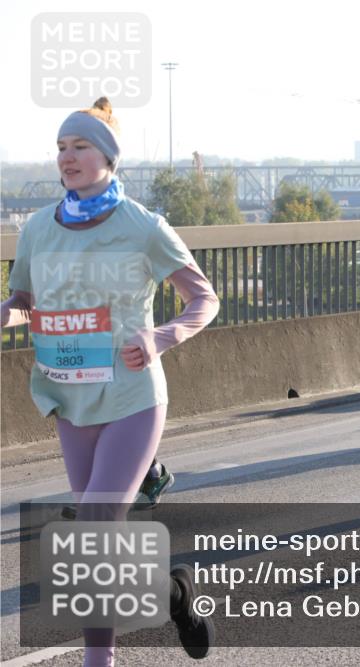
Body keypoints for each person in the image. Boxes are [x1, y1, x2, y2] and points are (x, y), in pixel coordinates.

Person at [1, 98, 219, 665]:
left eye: (79, 147)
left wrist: (160, 337)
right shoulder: (38, 230)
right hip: (69, 398)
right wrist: (8, 312)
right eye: (61, 148)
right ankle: (174, 594)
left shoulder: (144, 227)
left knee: (94, 529)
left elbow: (204, 299)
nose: (66, 158)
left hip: (131, 395)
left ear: (108, 158)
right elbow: (25, 301)